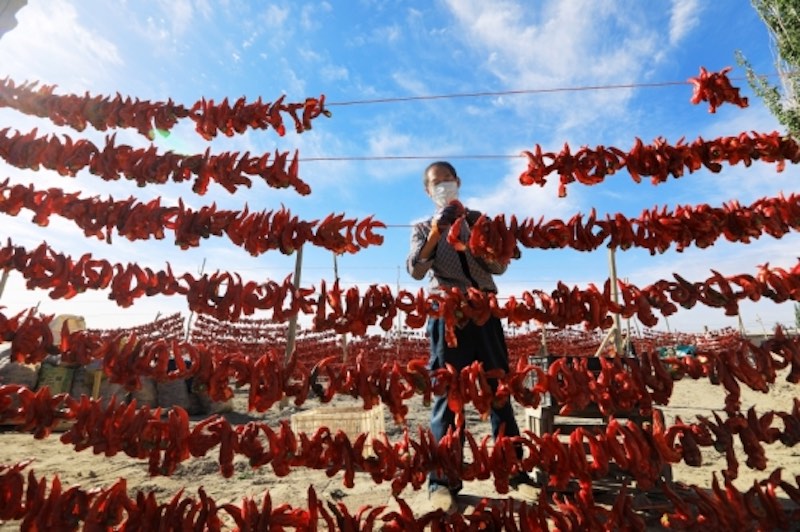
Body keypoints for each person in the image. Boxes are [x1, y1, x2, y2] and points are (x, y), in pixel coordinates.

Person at [406, 161, 537, 513]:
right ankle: (442, 480)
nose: (443, 187)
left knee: (499, 389)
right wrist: (437, 233)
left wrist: (483, 242)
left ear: (459, 183)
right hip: (446, 315)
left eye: (448, 181)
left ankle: (515, 473)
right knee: (447, 393)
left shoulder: (481, 221)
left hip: (485, 311)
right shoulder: (421, 226)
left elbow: (499, 266)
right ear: (428, 191)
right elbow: (416, 270)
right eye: (437, 184)